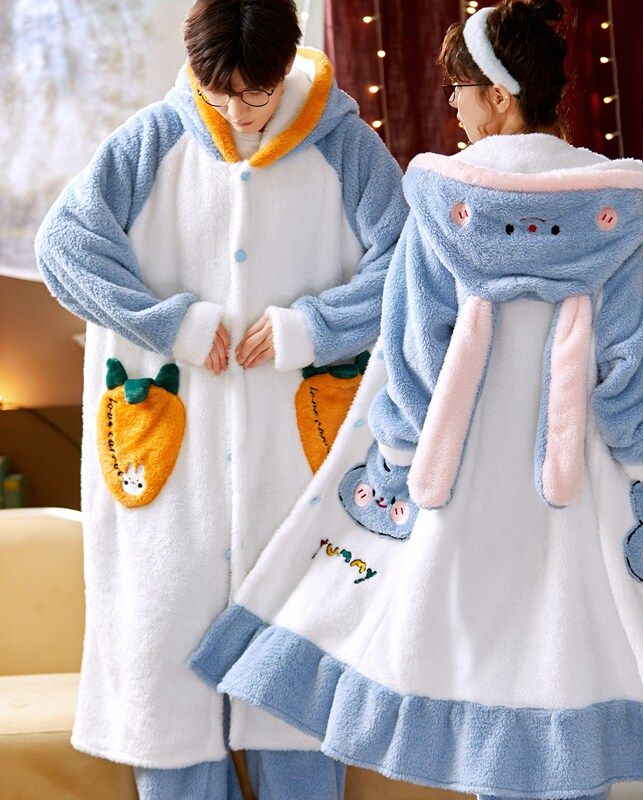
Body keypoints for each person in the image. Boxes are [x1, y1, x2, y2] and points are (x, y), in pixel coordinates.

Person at [189, 1, 643, 799]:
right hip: (576, 484)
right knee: (567, 654)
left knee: (479, 660)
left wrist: (400, 451)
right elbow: (634, 366)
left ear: (501, 96)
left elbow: (413, 353)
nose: (452, 105)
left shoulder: (442, 203)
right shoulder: (612, 210)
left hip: (464, 481)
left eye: (461, 89)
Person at [34, 0, 407, 797]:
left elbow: (408, 267)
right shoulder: (151, 140)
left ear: (286, 66)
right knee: (170, 708)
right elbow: (63, 248)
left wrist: (315, 327)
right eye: (219, 93)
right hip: (178, 476)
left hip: (296, 468)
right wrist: (169, 324)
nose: (238, 113)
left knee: (298, 705)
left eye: (256, 95)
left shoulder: (346, 147)